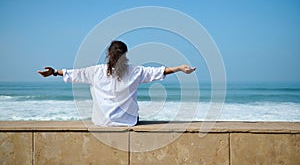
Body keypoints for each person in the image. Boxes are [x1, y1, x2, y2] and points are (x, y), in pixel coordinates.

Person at [38, 41, 196, 126]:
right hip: (128, 122)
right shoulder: (135, 71)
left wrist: (53, 72)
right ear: (125, 55)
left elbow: (73, 74)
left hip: (102, 122)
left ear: (108, 54)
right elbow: (159, 71)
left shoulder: (95, 71)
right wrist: (180, 68)